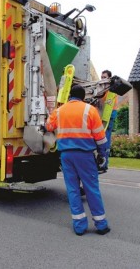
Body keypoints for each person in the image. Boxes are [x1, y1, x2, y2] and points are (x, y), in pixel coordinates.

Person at [46, 85, 110, 236]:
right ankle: (101, 225)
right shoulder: (89, 110)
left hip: (66, 156)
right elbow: (100, 137)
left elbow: (48, 126)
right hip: (85, 155)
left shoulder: (60, 111)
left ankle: (79, 226)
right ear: (82, 97)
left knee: (73, 189)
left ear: (69, 96)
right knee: (91, 189)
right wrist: (102, 154)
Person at [101, 70, 118, 170]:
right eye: (101, 77)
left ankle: (104, 163)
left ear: (109, 78)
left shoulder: (110, 88)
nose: (102, 79)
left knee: (105, 138)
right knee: (105, 137)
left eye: (104, 77)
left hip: (110, 113)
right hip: (108, 113)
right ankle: (104, 162)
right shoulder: (105, 88)